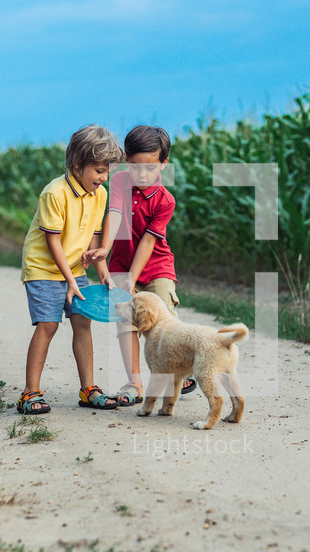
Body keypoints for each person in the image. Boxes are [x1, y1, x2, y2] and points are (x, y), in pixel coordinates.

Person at [83, 125, 196, 406]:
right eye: (135, 167)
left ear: (163, 164)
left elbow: (148, 242)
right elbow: (116, 214)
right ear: (125, 161)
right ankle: (134, 382)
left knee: (165, 319)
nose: (142, 175)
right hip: (121, 262)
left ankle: (178, 373)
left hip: (156, 265)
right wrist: (105, 250)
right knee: (126, 322)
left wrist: (132, 278)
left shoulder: (165, 200)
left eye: (150, 168)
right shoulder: (120, 181)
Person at [17, 124, 124, 414]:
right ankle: (30, 393)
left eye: (107, 171)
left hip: (74, 268)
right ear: (78, 164)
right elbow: (53, 242)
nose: (104, 178)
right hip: (43, 269)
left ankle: (88, 388)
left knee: (82, 321)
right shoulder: (55, 193)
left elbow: (92, 236)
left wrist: (102, 271)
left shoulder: (98, 194)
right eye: (99, 170)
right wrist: (70, 281)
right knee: (48, 325)